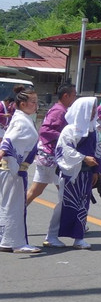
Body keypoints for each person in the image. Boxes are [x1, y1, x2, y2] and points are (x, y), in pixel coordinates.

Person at [54, 97, 101, 249]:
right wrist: (84, 158)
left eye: (94, 109)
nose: (93, 112)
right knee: (64, 204)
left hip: (87, 174)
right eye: (90, 109)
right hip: (71, 173)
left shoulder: (94, 130)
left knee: (83, 204)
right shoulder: (70, 129)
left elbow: (98, 153)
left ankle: (78, 237)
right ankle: (51, 235)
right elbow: (64, 150)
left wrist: (97, 171)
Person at [0, 86, 42, 253]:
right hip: (13, 169)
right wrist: (3, 154)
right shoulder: (21, 121)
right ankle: (16, 243)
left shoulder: (22, 118)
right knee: (15, 206)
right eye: (33, 102)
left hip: (13, 169)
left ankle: (6, 240)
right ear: (23, 104)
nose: (36, 105)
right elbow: (9, 142)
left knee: (9, 205)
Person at [26, 83, 76, 209]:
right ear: (66, 96)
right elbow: (45, 130)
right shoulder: (59, 111)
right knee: (65, 191)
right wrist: (65, 136)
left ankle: (14, 214)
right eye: (73, 95)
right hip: (51, 157)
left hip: (49, 157)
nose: (74, 99)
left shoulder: (60, 109)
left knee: (37, 191)